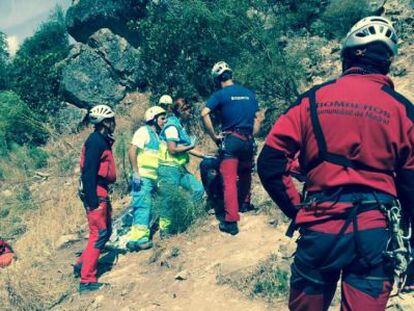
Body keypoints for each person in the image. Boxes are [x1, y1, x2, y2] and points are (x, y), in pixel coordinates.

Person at [257, 16, 413, 310]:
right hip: (375, 233)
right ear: (387, 63)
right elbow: (412, 188)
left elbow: (269, 163)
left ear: (345, 57)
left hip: (320, 226)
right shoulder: (403, 110)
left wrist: (298, 211)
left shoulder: (312, 100)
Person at [201, 61, 260, 235]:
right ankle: (245, 204)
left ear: (217, 79)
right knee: (245, 174)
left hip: (231, 140)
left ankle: (231, 221)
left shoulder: (220, 94)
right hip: (248, 141)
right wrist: (252, 135)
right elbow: (258, 118)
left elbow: (204, 113)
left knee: (228, 180)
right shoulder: (248, 93)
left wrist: (213, 136)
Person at [74, 104, 117, 293]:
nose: (114, 123)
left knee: (105, 232)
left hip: (101, 192)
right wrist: (92, 202)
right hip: (96, 194)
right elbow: (88, 172)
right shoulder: (95, 142)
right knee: (98, 234)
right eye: (112, 120)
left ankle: (81, 266)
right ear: (105, 123)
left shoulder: (101, 140)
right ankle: (87, 280)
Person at [157, 95, 205, 235]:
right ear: (180, 111)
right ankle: (165, 230)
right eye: (186, 109)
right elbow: (173, 149)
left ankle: (189, 217)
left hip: (180, 168)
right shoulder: (172, 127)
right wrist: (190, 146)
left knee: (198, 189)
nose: (189, 112)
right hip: (168, 168)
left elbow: (187, 147)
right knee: (168, 199)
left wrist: (203, 155)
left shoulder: (179, 126)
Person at [126, 106, 167, 251]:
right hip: (143, 177)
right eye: (162, 118)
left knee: (156, 205)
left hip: (155, 178)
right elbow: (132, 150)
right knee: (143, 206)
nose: (165, 121)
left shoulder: (158, 136)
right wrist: (135, 172)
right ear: (153, 119)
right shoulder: (143, 132)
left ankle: (138, 238)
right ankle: (139, 239)